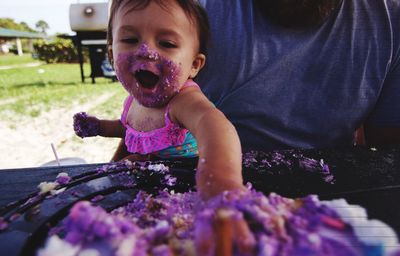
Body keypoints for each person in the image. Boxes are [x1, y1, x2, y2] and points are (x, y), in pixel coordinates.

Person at [73, 0, 246, 201]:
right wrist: (100, 127)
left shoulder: (183, 100)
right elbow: (130, 129)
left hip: (190, 178)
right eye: (130, 39)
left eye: (167, 43)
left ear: (194, 65)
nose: (146, 51)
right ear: (112, 55)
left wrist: (220, 178)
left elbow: (212, 125)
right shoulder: (132, 102)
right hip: (155, 173)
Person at [194, 0, 400, 151]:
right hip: (193, 177)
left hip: (328, 190)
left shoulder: (391, 21)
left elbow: (386, 155)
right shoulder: (188, 8)